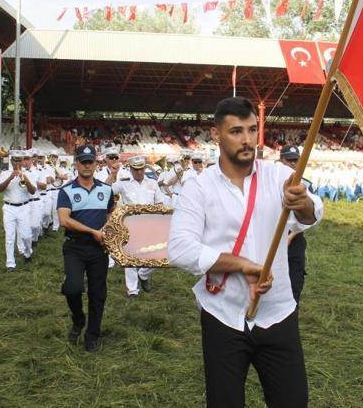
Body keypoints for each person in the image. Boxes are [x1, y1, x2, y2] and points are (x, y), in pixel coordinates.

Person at [168, 97, 323, 407]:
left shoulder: (278, 176)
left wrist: (301, 202)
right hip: (222, 314)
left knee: (293, 402)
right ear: (216, 135)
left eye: (252, 130)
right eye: (236, 131)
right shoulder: (198, 188)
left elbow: (312, 214)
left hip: (277, 312)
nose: (247, 139)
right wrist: (240, 265)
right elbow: (180, 249)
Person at [57, 144, 115, 352]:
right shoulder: (66, 191)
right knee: (72, 288)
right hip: (75, 247)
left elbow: (111, 215)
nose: (87, 166)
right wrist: (92, 232)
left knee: (98, 294)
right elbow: (64, 220)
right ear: (76, 164)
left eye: (91, 162)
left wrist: (107, 232)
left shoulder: (106, 190)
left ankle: (92, 335)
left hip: (99, 249)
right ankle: (78, 319)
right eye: (83, 162)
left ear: (96, 164)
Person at [112, 155, 169, 297]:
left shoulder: (152, 183)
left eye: (141, 169)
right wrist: (113, 175)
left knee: (155, 256)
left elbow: (160, 202)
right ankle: (132, 290)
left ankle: (143, 275)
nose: (138, 172)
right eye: (135, 169)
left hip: (150, 223)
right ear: (130, 169)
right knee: (130, 257)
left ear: (145, 168)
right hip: (130, 224)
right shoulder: (123, 183)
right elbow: (105, 191)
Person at [0, 150, 37, 272]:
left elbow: (33, 191)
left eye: (20, 160)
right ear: (11, 161)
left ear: (23, 161)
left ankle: (27, 253)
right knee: (9, 236)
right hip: (9, 208)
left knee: (26, 235)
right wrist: (10, 177)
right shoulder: (4, 173)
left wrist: (23, 177)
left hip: (24, 207)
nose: (17, 162)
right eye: (15, 160)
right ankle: (10, 264)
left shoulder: (29, 173)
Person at [279, 146, 309, 303]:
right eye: (288, 160)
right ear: (280, 159)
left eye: (295, 160)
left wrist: (291, 237)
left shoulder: (305, 186)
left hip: (294, 241)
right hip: (274, 239)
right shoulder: (271, 183)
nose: (292, 163)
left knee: (293, 286)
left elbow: (309, 218)